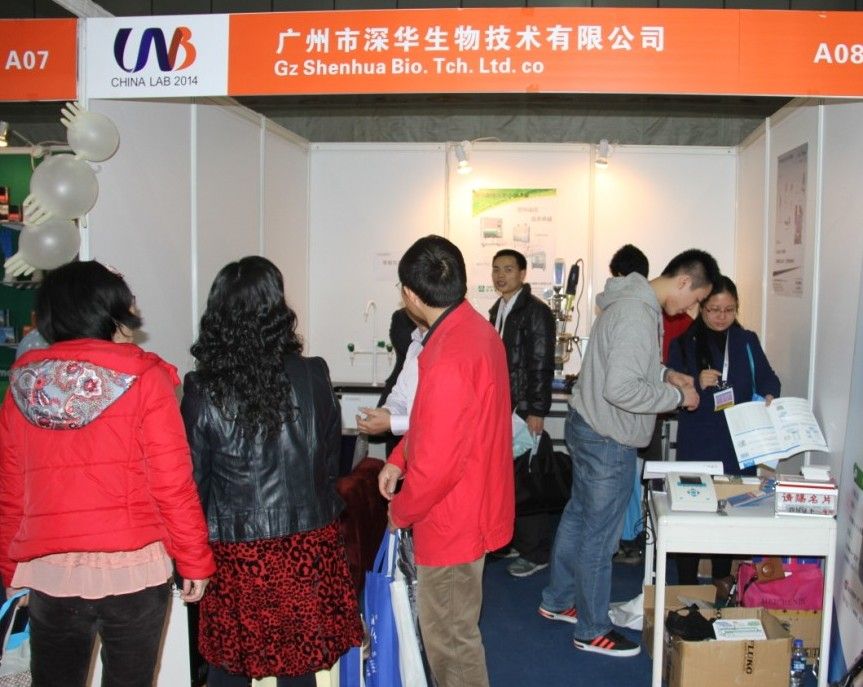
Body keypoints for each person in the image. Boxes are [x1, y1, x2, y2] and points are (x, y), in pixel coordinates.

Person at [0, 260, 214, 687]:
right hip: (134, 568)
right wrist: (194, 559)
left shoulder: (23, 384)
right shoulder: (145, 377)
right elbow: (172, 482)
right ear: (107, 310)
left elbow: (11, 488)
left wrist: (10, 567)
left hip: (50, 570)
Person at [181, 256, 363, 687]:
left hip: (238, 551)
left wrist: (188, 557)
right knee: (300, 662)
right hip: (307, 541)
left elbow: (193, 484)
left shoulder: (203, 388)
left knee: (231, 662)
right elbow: (330, 459)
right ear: (277, 308)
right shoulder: (313, 373)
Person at [539, 249, 720, 657]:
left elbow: (627, 365)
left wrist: (665, 374)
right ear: (684, 282)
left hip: (589, 425)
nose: (689, 310)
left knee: (578, 518)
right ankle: (591, 629)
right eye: (694, 300)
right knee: (599, 536)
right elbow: (621, 389)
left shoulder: (630, 300)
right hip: (608, 437)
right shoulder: (638, 313)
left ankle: (558, 600)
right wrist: (678, 396)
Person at [377, 235, 513, 687]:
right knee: (455, 631)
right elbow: (434, 422)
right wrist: (399, 456)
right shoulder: (472, 331)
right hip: (472, 499)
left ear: (410, 295)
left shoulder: (449, 355)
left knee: (450, 641)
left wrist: (400, 512)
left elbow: (437, 466)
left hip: (452, 517)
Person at [668, 275, 780, 588]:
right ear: (700, 307)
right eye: (714, 309)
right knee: (693, 512)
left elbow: (769, 377)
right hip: (699, 438)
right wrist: (695, 382)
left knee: (730, 510)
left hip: (738, 441)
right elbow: (671, 393)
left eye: (729, 310)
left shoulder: (746, 340)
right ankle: (686, 583)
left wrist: (770, 394)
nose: (721, 316)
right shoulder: (683, 344)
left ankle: (721, 577)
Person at [488, 248, 556, 578]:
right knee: (509, 478)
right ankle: (515, 540)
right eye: (496, 269)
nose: (501, 276)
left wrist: (537, 409)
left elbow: (541, 364)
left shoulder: (536, 312)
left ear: (522, 274)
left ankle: (536, 551)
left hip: (524, 410)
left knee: (529, 480)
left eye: (508, 269)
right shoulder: (498, 309)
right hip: (503, 409)